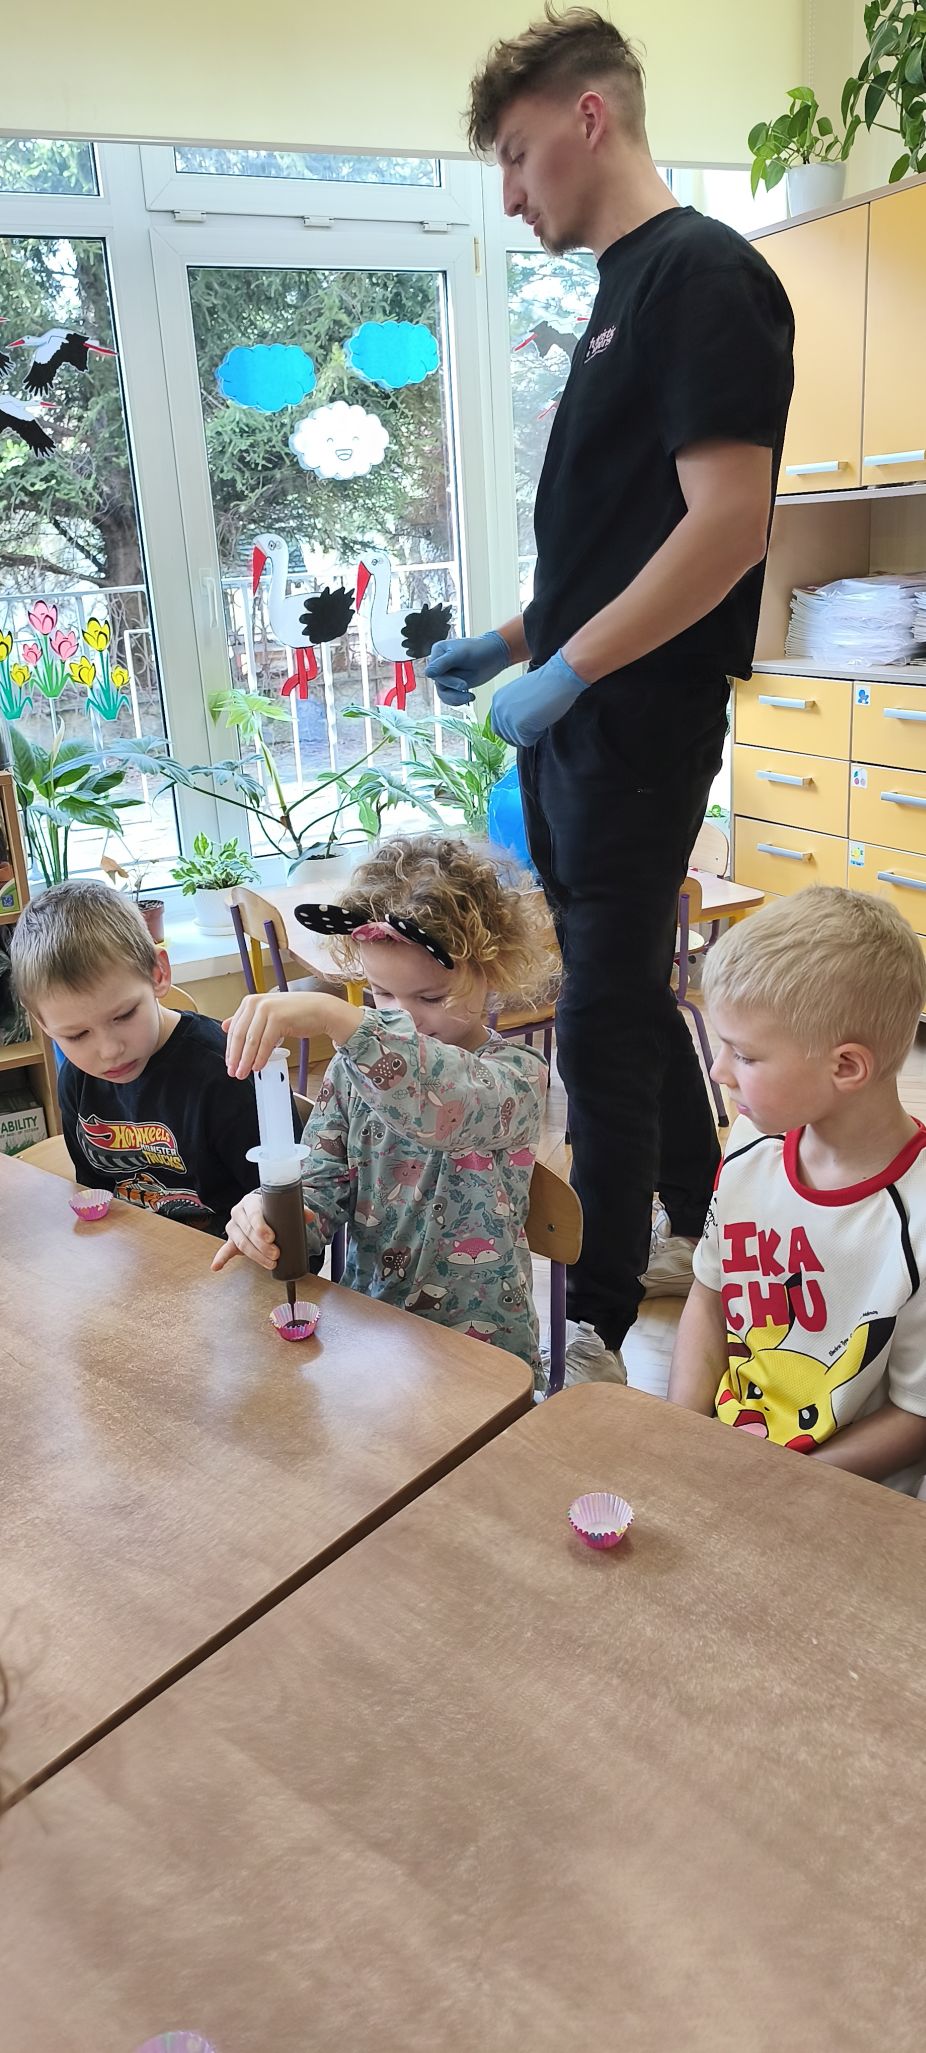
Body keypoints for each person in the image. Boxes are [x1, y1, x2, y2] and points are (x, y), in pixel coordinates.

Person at [427, 8, 794, 1385]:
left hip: (636, 720)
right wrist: (513, 640)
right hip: (588, 717)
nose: (510, 196)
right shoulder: (620, 292)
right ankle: (701, 1223)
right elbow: (620, 542)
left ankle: (584, 1322)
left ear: (590, 117)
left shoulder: (700, 272)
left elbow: (727, 524)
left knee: (595, 1018)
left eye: (517, 156)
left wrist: (574, 669)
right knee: (623, 993)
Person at [213, 835, 553, 1380]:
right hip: (373, 1334)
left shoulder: (517, 1075)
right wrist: (271, 1217)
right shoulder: (352, 1071)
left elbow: (444, 1106)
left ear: (491, 970)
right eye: (382, 994)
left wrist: (341, 1020)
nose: (403, 1019)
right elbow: (319, 1190)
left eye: (430, 997)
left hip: (484, 1353)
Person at [668, 889, 926, 1493]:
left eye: (745, 1055)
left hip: (845, 1495)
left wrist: (780, 1483)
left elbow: (915, 1416)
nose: (718, 1071)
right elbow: (709, 1296)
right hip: (729, 1460)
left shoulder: (916, 1220)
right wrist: (680, 1431)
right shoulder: (747, 1146)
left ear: (846, 1067)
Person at [10, 878, 282, 1234]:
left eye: (124, 1015)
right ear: (43, 1023)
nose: (109, 1051)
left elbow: (291, 1225)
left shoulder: (228, 1073)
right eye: (76, 1035)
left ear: (158, 974)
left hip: (231, 1256)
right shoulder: (77, 1079)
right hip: (136, 1251)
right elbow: (96, 1196)